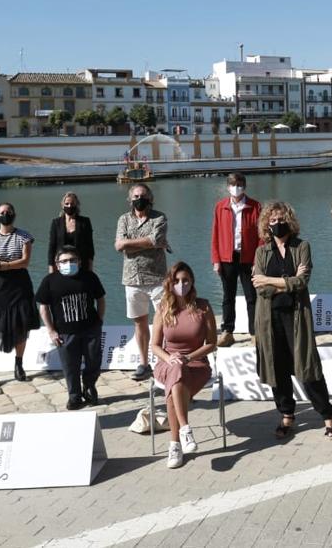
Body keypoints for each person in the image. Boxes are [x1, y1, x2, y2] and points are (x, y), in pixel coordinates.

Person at [251, 202, 332, 440]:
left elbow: (303, 282)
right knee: (277, 368)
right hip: (270, 319)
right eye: (272, 221)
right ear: (266, 225)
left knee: (308, 367)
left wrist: (272, 281)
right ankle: (287, 415)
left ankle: (328, 416)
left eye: (281, 220)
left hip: (297, 316)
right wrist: (287, 281)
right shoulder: (262, 252)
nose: (277, 224)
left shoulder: (302, 247)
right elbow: (260, 289)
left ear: (289, 221)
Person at [151, 263, 218, 469]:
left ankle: (175, 445)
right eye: (177, 281)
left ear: (192, 282)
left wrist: (188, 357)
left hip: (196, 363)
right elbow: (154, 345)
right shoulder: (163, 308)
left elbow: (212, 344)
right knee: (176, 370)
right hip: (167, 362)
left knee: (175, 385)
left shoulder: (204, 307)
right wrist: (169, 358)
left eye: (186, 280)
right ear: (170, 284)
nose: (182, 284)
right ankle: (185, 429)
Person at [36, 247, 107, 409]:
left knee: (93, 362)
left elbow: (101, 299)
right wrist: (51, 330)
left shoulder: (89, 277)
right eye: (64, 261)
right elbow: (43, 307)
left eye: (72, 260)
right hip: (65, 333)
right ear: (57, 264)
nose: (69, 263)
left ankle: (89, 388)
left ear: (79, 262)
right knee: (70, 366)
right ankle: (74, 396)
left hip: (90, 329)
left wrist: (99, 321)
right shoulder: (50, 281)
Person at [0, 202, 39, 382]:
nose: (6, 214)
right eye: (2, 212)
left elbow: (25, 261)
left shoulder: (24, 236)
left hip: (20, 285)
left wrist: (3, 264)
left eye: (9, 212)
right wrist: (9, 264)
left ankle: (19, 365)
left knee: (21, 324)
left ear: (14, 214)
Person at [114, 183, 168, 381]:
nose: (139, 199)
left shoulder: (159, 217)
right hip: (132, 279)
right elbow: (119, 245)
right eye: (135, 196)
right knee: (140, 323)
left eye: (143, 195)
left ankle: (165, 362)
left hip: (157, 278)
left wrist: (131, 244)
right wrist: (147, 243)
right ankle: (144, 364)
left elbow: (155, 240)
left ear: (150, 198)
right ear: (130, 200)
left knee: (165, 322)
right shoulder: (123, 219)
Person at [211, 172, 261, 347]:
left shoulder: (255, 206)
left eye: (239, 184)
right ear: (227, 187)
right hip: (227, 257)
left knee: (251, 297)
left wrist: (257, 261)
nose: (236, 187)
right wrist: (216, 260)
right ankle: (227, 331)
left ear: (244, 186)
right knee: (228, 296)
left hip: (248, 257)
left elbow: (261, 236)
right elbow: (215, 234)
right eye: (233, 184)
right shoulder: (220, 207)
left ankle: (255, 332)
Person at [48, 191, 95, 273]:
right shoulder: (56, 223)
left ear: (77, 205)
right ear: (63, 205)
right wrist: (51, 267)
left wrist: (90, 266)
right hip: (61, 264)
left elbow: (90, 246)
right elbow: (52, 247)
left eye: (72, 204)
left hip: (81, 264)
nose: (69, 206)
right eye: (67, 203)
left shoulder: (85, 222)